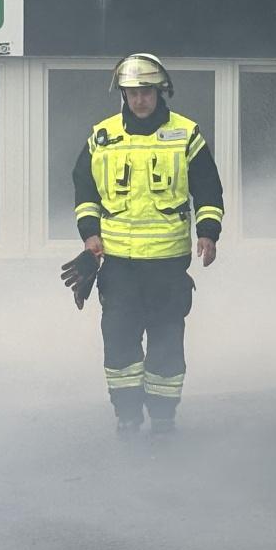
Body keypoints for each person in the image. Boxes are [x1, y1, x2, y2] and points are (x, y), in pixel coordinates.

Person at [69, 53, 224, 436]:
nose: (140, 100)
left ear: (160, 92)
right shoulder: (102, 136)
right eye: (133, 92)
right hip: (118, 265)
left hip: (168, 266)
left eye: (147, 92)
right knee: (119, 343)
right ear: (122, 93)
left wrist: (208, 232)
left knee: (168, 344)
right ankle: (127, 414)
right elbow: (84, 189)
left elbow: (208, 188)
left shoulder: (186, 134)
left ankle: (164, 415)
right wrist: (90, 236)